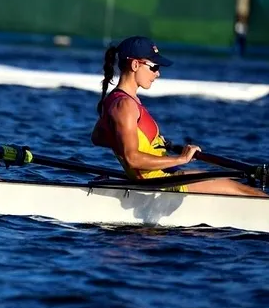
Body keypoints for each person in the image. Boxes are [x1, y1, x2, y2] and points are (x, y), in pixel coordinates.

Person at [91, 36, 267, 197]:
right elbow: (132, 158)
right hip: (159, 184)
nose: (158, 73)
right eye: (154, 67)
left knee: (238, 186)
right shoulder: (125, 106)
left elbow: (98, 137)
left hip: (161, 178)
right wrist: (181, 159)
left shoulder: (114, 100)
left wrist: (152, 144)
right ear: (135, 65)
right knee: (244, 191)